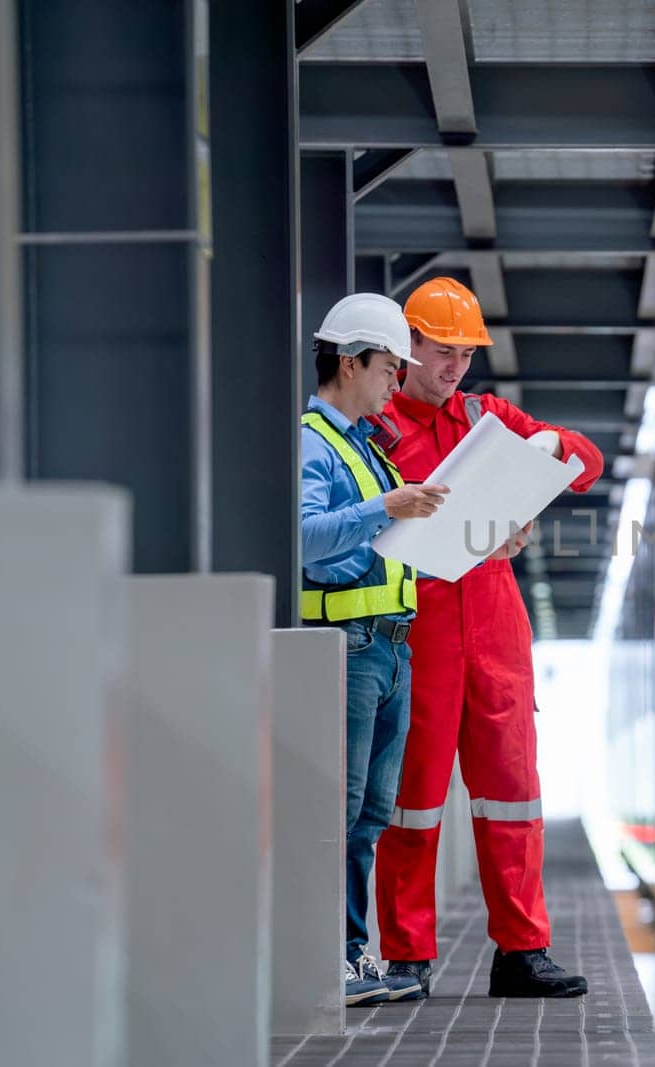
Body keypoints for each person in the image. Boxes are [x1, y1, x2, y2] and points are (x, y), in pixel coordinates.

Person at [374, 277, 603, 999]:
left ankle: (522, 950)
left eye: (465, 353)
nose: (455, 367)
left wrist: (542, 449)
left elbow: (586, 461)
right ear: (407, 346)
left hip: (497, 634)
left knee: (514, 795)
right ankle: (407, 955)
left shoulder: (485, 417)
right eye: (443, 351)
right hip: (423, 634)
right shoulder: (378, 431)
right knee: (412, 800)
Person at [299, 293, 449, 1007]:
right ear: (349, 362)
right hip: (352, 646)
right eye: (389, 367)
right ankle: (328, 958)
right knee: (344, 807)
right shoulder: (312, 441)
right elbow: (307, 541)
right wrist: (387, 509)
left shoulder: (365, 448)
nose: (396, 382)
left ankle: (353, 955)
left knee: (370, 815)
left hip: (391, 647)